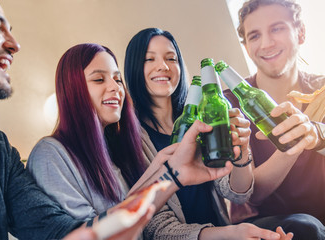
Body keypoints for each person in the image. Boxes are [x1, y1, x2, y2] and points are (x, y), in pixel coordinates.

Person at [0, 0, 172, 239]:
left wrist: (168, 175)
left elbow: (58, 231)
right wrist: (167, 177)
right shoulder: (50, 153)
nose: (14, 45)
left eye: (117, 79)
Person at [124, 27, 293, 239]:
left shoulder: (204, 119)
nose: (163, 66)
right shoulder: (128, 138)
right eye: (150, 59)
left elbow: (238, 194)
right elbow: (157, 229)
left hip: (225, 231)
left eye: (171, 58)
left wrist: (241, 152)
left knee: (303, 227)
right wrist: (231, 234)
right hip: (220, 235)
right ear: (133, 67)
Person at [222, 0, 325, 239]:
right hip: (273, 224)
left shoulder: (321, 89)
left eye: (276, 28)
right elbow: (253, 194)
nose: (266, 43)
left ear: (300, 33)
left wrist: (316, 134)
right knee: (306, 227)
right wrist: (294, 143)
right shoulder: (230, 104)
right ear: (246, 46)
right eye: (255, 35)